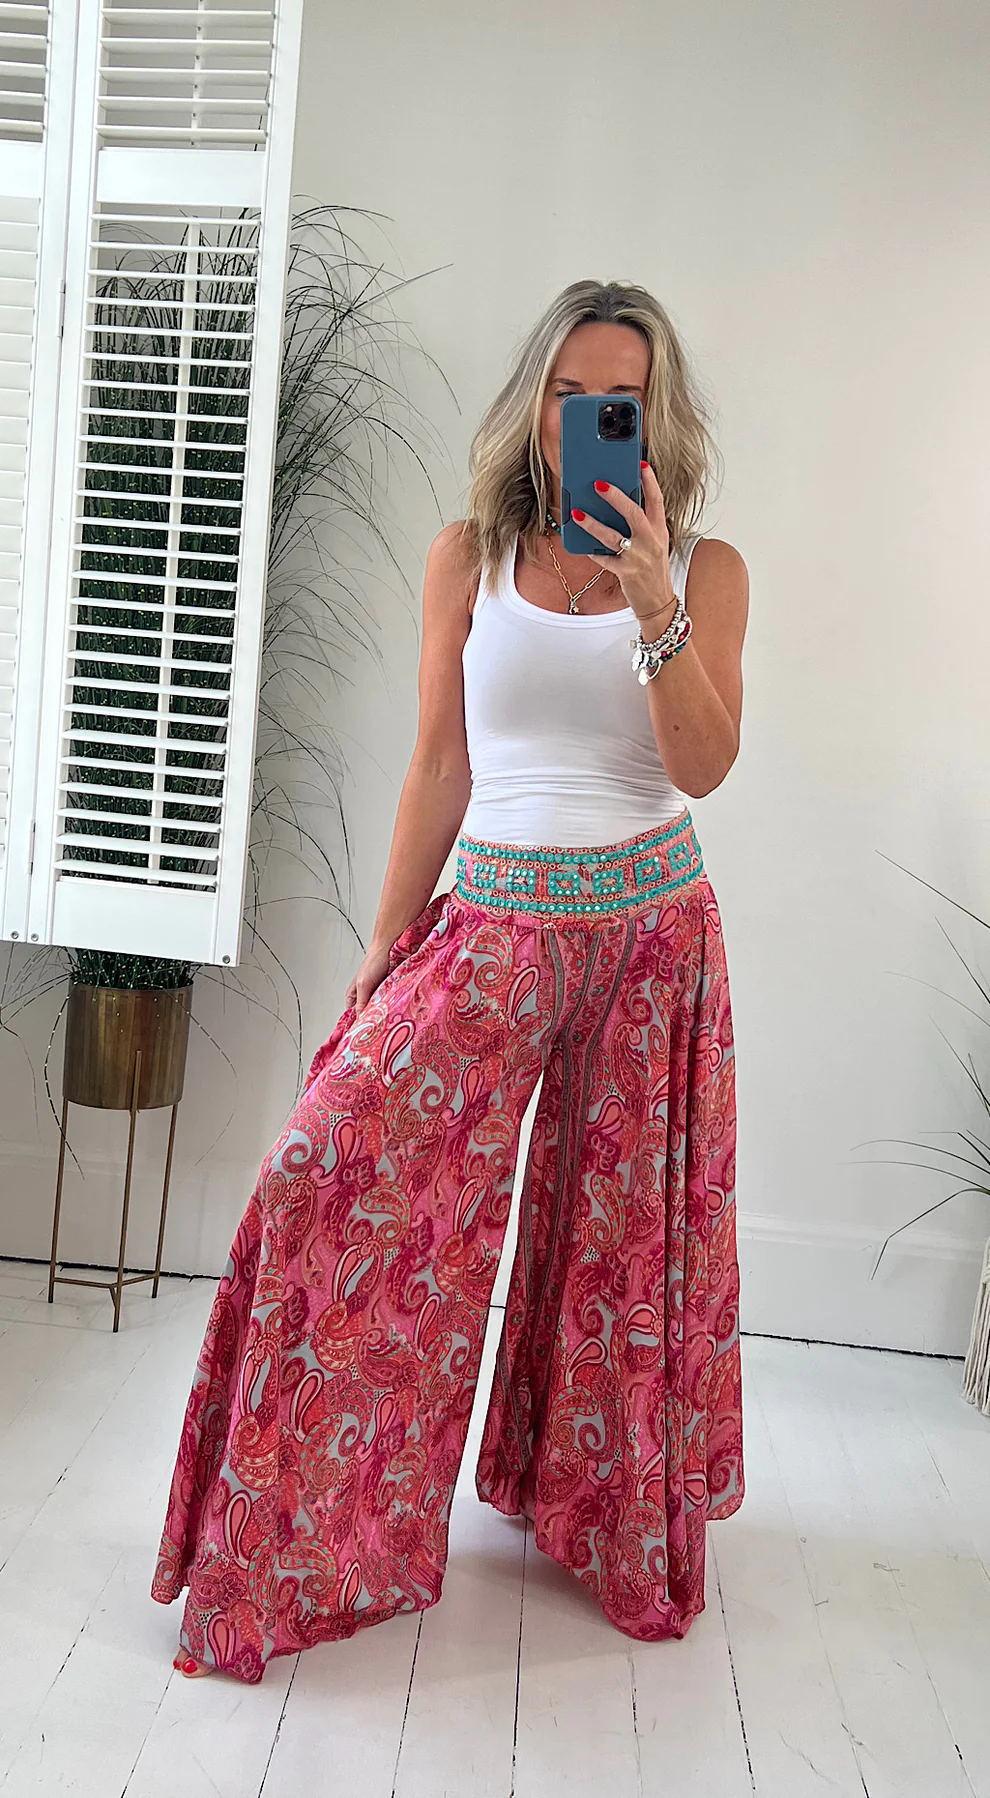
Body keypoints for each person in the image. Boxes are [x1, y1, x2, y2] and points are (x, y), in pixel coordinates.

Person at [152, 277, 750, 1684]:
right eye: (566, 394)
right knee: (322, 1169)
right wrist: (382, 945)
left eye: (619, 399)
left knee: (621, 1263)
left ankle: (599, 1518)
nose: (588, 419)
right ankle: (305, 1546)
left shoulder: (706, 570)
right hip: (490, 926)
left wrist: (654, 601)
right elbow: (438, 760)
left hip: (654, 935)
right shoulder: (465, 556)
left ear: (654, 414)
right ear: (533, 407)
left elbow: (704, 764)